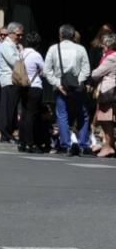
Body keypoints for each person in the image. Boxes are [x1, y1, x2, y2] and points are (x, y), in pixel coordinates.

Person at [44, 24, 91, 156]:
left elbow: (47, 70)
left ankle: (66, 144)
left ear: (61, 35)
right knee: (83, 114)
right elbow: (86, 70)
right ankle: (83, 144)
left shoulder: (54, 49)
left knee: (62, 115)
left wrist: (58, 84)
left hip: (60, 87)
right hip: (78, 87)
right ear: (72, 35)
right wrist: (77, 83)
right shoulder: (81, 49)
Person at [0, 22, 24, 144]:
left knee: (11, 109)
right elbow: (14, 62)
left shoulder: (14, 45)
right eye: (18, 35)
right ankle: (5, 134)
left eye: (21, 35)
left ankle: (8, 134)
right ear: (11, 33)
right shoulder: (7, 46)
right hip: (9, 80)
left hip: (14, 81)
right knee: (7, 109)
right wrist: (22, 54)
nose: (20, 37)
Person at [16, 32, 46, 153]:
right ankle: (31, 143)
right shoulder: (36, 55)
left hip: (22, 86)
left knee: (24, 114)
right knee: (32, 115)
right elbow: (44, 71)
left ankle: (22, 142)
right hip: (34, 86)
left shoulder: (21, 54)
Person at [90, 32, 116, 158]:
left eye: (104, 45)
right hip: (111, 91)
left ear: (108, 45)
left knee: (106, 120)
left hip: (108, 91)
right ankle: (110, 145)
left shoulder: (111, 58)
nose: (102, 47)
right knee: (107, 120)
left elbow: (96, 73)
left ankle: (108, 147)